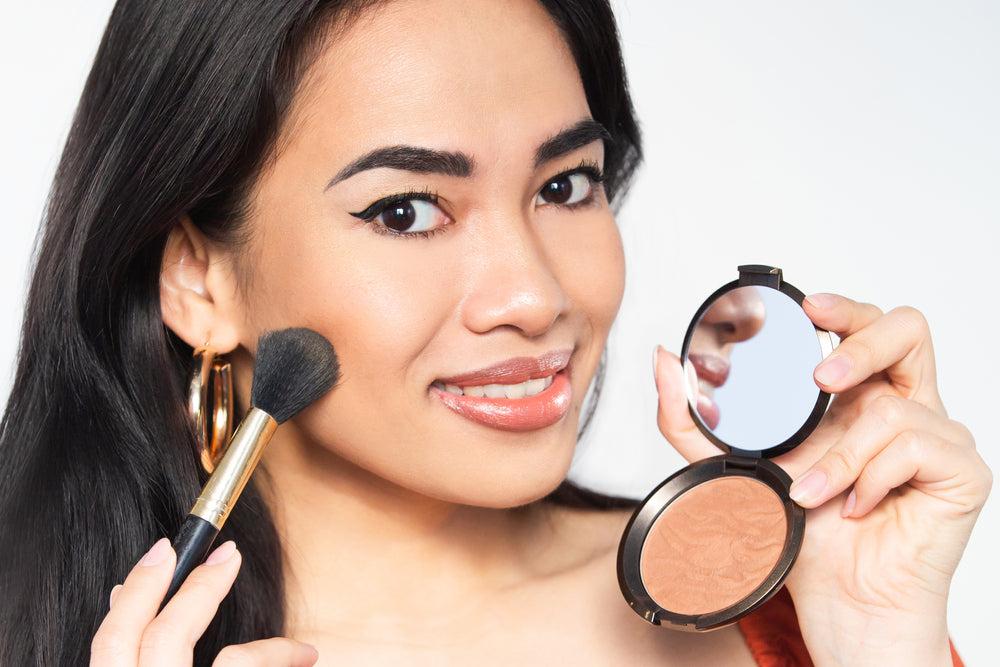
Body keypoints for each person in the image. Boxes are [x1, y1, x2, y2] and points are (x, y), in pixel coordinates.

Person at [0, 1, 990, 664]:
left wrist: (877, 642)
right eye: (405, 211)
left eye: (565, 186)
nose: (531, 294)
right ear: (198, 277)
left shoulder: (779, 614)